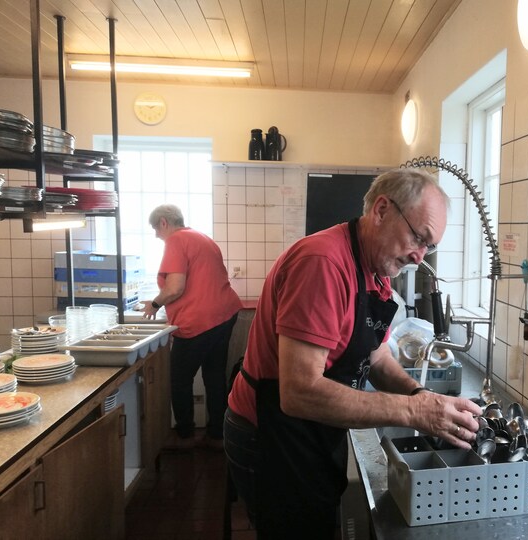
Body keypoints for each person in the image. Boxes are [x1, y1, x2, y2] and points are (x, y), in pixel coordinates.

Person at [223, 169, 483, 538]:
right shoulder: (323, 264)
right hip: (269, 434)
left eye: (429, 247)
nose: (418, 256)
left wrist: (419, 395)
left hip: (310, 432)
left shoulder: (375, 273)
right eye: (417, 237)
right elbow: (298, 392)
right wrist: (413, 412)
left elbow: (377, 358)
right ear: (381, 210)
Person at [143, 203, 243, 448]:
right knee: (214, 375)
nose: (156, 235)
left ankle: (184, 435)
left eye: (156, 229)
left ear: (164, 222)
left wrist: (154, 304)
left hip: (199, 319)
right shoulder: (202, 237)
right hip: (224, 314)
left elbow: (175, 287)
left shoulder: (176, 240)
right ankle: (217, 435)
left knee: (179, 379)